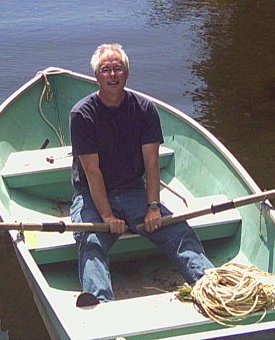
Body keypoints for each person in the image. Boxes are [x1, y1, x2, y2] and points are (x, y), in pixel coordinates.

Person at [69, 43, 213, 306]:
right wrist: (108, 216)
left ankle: (210, 285)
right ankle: (100, 306)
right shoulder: (82, 114)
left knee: (178, 231)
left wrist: (153, 207)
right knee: (91, 242)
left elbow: (152, 163)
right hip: (92, 195)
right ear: (97, 76)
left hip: (134, 189)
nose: (112, 75)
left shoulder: (144, 109)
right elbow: (92, 170)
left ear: (127, 73)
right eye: (106, 70)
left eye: (118, 69)